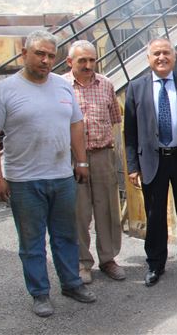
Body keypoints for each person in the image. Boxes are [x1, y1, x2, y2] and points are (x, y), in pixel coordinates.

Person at [0, 30, 96, 318]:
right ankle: (40, 293)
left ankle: (71, 283)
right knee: (32, 242)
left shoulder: (62, 86)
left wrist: (81, 162)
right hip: (24, 181)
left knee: (66, 236)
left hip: (62, 177)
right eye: (39, 54)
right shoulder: (5, 91)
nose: (45, 60)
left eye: (50, 56)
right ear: (24, 53)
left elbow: (76, 125)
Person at [124, 38, 177, 286]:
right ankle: (155, 264)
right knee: (155, 214)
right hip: (153, 161)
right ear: (148, 59)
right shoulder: (136, 87)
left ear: (175, 57)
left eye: (166, 53)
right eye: (156, 53)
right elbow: (130, 131)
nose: (162, 57)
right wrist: (132, 166)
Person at [63, 40, 125, 284]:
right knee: (79, 211)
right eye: (82, 61)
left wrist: (115, 157)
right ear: (70, 62)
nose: (88, 65)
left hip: (102, 154)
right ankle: (82, 262)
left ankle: (108, 259)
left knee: (107, 208)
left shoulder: (106, 84)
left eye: (92, 60)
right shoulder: (60, 86)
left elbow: (114, 120)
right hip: (71, 157)